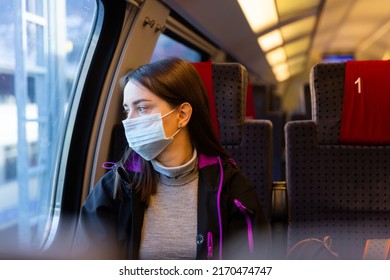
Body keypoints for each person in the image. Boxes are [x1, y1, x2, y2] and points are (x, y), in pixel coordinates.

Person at [73, 57, 270, 259]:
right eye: (127, 110)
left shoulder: (231, 189)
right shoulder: (114, 187)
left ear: (182, 115)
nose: (128, 121)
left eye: (141, 108)